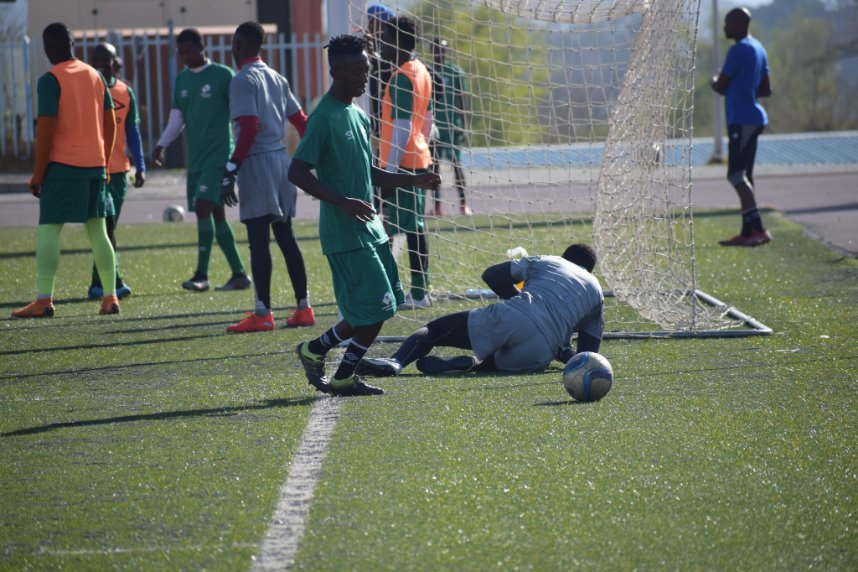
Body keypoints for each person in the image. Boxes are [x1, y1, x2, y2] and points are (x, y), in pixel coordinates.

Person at [288, 34, 441, 396]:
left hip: (369, 227)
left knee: (381, 304)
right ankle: (340, 372)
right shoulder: (323, 117)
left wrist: (413, 179)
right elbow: (296, 171)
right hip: (344, 231)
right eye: (357, 70)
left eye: (367, 70)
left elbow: (369, 170)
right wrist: (342, 201)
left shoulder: (358, 115)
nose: (365, 77)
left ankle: (317, 350)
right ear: (335, 71)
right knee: (376, 307)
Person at [356, 244, 603, 377]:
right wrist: (561, 349)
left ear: (565, 257)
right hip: (541, 351)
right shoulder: (597, 292)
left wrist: (520, 302)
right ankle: (473, 364)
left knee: (435, 330)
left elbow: (492, 275)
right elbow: (586, 360)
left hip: (514, 315)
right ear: (588, 271)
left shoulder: (550, 261)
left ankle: (396, 362)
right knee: (496, 363)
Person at [13, 23, 120, 318]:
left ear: (48, 48)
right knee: (98, 231)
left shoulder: (50, 79)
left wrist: (38, 173)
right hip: (96, 167)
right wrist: (105, 160)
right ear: (73, 44)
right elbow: (110, 123)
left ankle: (44, 300)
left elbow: (45, 129)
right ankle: (110, 298)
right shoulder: (95, 75)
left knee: (49, 229)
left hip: (62, 167)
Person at [220, 22, 315, 333]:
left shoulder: (242, 80)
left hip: (257, 162)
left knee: (258, 239)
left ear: (237, 46)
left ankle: (263, 311)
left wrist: (232, 168)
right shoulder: (277, 76)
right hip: (281, 161)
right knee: (286, 237)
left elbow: (248, 127)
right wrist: (310, 158)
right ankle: (304, 307)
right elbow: (301, 121)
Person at [152, 28, 251, 291]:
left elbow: (239, 112)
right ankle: (239, 273)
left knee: (204, 205)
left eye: (189, 51)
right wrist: (161, 144)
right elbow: (177, 119)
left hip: (218, 156)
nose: (185, 56)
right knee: (216, 212)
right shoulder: (182, 79)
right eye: (180, 52)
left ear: (202, 48)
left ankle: (201, 275)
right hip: (195, 159)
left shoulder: (222, 75)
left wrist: (239, 151)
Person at [378, 16, 434, 309]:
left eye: (386, 37)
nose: (382, 43)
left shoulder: (402, 76)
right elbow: (428, 123)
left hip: (403, 163)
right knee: (413, 227)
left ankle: (407, 293)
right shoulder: (421, 70)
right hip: (418, 157)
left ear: (398, 42)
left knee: (391, 229)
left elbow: (400, 129)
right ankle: (416, 290)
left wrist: (387, 172)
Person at [86, 43, 146, 301]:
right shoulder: (85, 89)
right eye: (95, 59)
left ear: (115, 62)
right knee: (106, 226)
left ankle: (100, 283)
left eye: (105, 59)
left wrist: (140, 165)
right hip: (93, 170)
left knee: (109, 226)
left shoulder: (125, 91)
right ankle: (110, 282)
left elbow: (132, 132)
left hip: (119, 172)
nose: (100, 64)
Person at [710, 7, 773, 247]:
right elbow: (766, 89)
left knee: (735, 175)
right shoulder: (759, 48)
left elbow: (720, 86)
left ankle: (758, 229)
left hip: (743, 119)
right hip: (754, 117)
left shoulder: (738, 50)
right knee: (745, 176)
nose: (725, 28)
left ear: (739, 24)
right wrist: (746, 88)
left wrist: (714, 79)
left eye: (728, 23)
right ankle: (748, 232)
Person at [429, 37, 471, 217]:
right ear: (432, 51)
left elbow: (461, 98)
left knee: (456, 165)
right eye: (436, 49)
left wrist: (465, 124)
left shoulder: (455, 72)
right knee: (434, 168)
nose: (440, 52)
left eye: (443, 49)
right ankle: (437, 207)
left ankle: (464, 204)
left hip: (453, 126)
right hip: (434, 126)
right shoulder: (427, 71)